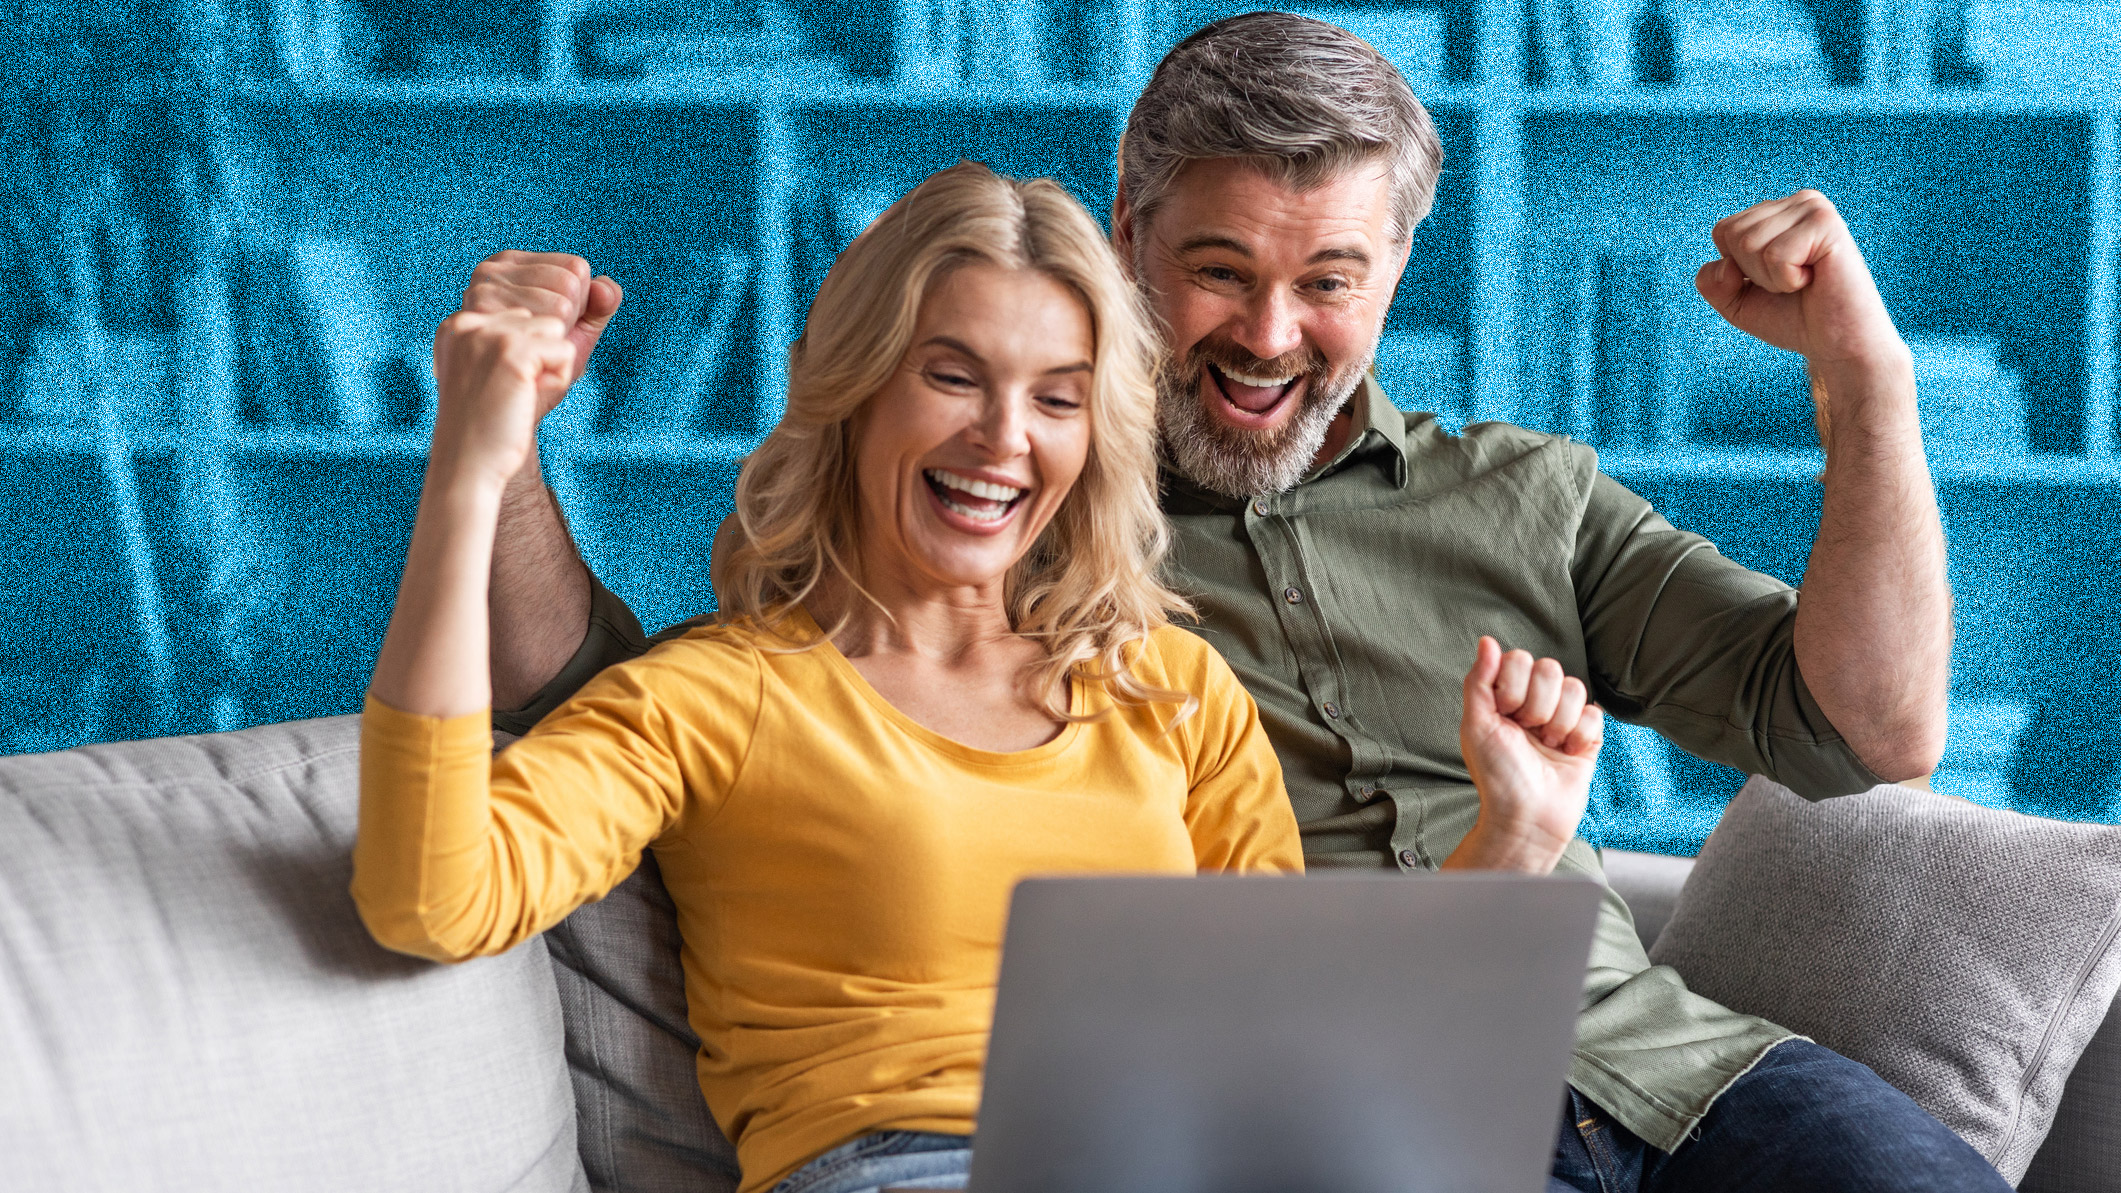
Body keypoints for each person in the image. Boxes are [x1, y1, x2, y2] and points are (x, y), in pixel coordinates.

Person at [474, 16, 1995, 1193]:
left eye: (1328, 278)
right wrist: (497, 439)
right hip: (1342, 1115)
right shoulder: (1018, 517)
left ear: (1398, 266)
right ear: (1126, 240)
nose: (1270, 335)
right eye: (1217, 272)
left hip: (1660, 1066)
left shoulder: (1526, 493)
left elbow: (1865, 731)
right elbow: (612, 699)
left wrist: (1865, 388)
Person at [355, 160, 1607, 1193]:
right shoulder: (716, 694)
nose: (1003, 440)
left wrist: (1514, 839)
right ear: (853, 395)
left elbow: (1299, 1061)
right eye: (951, 375)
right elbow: (433, 897)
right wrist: (478, 456)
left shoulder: (1168, 688)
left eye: (1056, 399)